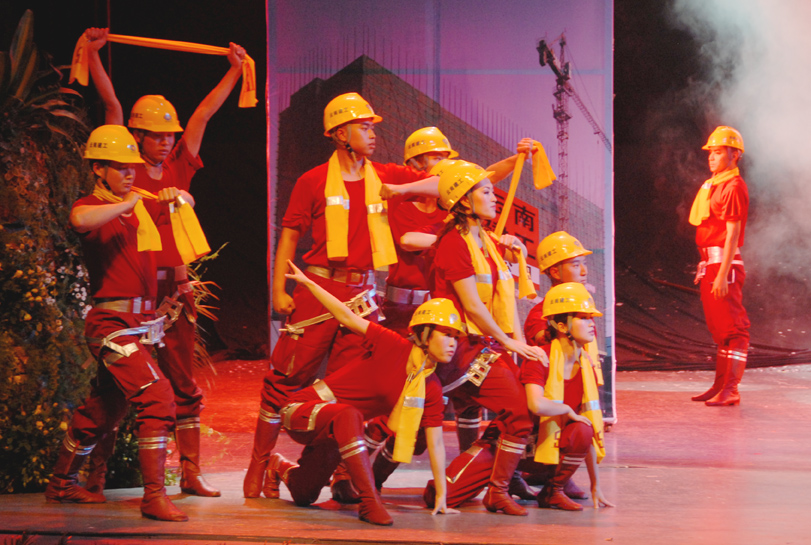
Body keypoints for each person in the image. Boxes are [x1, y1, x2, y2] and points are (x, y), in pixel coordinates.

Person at [243, 92, 439, 499]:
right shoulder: (313, 180)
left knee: (346, 391)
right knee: (286, 377)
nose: (373, 134)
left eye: (372, 127)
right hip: (318, 289)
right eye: (364, 127)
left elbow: (444, 182)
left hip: (362, 295)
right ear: (339, 134)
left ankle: (327, 473)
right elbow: (290, 235)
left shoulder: (385, 176)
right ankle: (258, 466)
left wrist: (401, 189)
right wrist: (278, 288)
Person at [81, 28, 248, 497]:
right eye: (155, 135)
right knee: (114, 389)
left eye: (168, 135)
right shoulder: (123, 172)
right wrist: (93, 56)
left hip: (173, 293)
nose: (164, 142)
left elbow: (203, 114)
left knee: (183, 382)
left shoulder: (178, 165)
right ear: (136, 136)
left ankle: (191, 472)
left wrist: (235, 71)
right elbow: (112, 106)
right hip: (132, 291)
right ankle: (95, 477)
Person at [367, 127, 535, 493]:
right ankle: (360, 475)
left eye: (446, 158)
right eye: (434, 158)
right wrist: (462, 238)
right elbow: (410, 239)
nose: (442, 164)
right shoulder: (425, 216)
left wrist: (515, 158)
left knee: (476, 406)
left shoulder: (466, 227)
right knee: (407, 405)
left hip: (460, 328)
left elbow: (479, 179)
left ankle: (484, 476)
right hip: (415, 320)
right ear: (415, 164)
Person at [45, 126, 191, 521]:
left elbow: (186, 203)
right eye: (120, 167)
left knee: (103, 409)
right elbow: (78, 218)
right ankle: (154, 496)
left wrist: (177, 196)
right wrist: (126, 204)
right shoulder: (93, 205)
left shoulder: (139, 204)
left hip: (138, 324)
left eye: (132, 167)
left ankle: (61, 483)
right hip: (111, 325)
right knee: (158, 397)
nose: (130, 174)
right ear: (98, 169)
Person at [263, 261, 462, 526]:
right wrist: (310, 284)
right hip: (302, 410)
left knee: (304, 494)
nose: (452, 343)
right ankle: (369, 502)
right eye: (446, 334)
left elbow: (436, 444)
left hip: (339, 433)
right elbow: (346, 316)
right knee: (350, 414)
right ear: (424, 333)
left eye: (456, 337)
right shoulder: (392, 345)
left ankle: (278, 466)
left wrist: (442, 496)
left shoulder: (431, 386)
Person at [427, 282, 614, 512]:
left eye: (591, 318)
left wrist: (596, 485)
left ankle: (553, 491)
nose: (592, 324)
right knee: (440, 496)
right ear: (561, 325)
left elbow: (588, 429)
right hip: (509, 446)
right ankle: (501, 486)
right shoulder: (540, 358)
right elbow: (535, 404)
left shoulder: (587, 367)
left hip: (543, 448)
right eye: (584, 318)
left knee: (582, 430)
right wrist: (566, 410)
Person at [424, 159, 543, 516]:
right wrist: (510, 343)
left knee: (524, 411)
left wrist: (517, 344)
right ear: (464, 200)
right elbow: (473, 307)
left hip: (485, 344)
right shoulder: (453, 244)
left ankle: (466, 484)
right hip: (462, 347)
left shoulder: (486, 242)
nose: (495, 198)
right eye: (486, 191)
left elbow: (502, 299)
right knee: (519, 413)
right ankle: (495, 490)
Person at [688, 126, 750, 406]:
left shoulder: (733, 186)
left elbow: (733, 234)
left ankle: (731, 388)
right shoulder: (714, 184)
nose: (711, 157)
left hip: (724, 265)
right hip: (710, 264)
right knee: (721, 330)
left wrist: (723, 274)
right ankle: (720, 385)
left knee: (735, 330)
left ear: (734, 155)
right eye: (710, 152)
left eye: (717, 152)